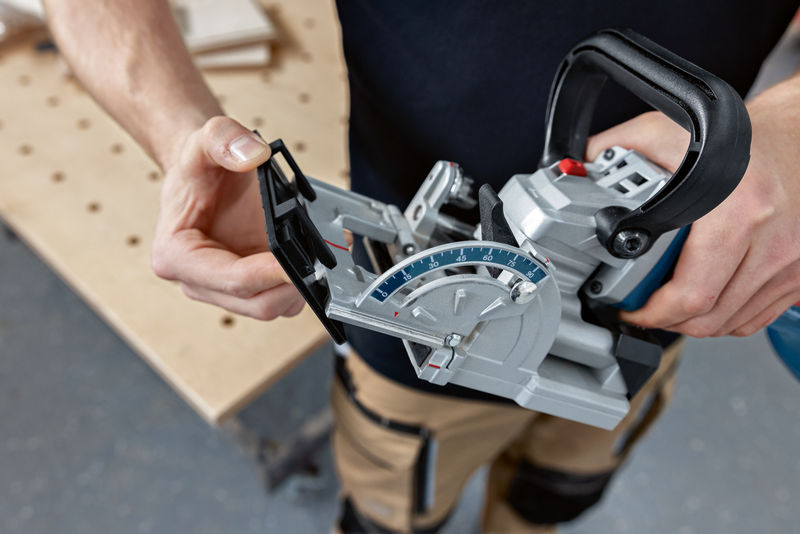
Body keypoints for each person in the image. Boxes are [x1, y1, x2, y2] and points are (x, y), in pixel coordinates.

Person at [43, 1, 800, 532]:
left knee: (562, 487)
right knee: (392, 506)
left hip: (672, 278)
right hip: (422, 330)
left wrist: (794, 124)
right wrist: (179, 128)